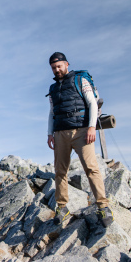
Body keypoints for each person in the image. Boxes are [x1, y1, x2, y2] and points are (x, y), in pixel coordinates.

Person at [46, 52, 114, 227]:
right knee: (60, 171)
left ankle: (103, 206)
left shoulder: (79, 80)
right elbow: (52, 112)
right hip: (60, 132)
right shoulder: (53, 89)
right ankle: (62, 207)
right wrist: (49, 133)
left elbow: (91, 102)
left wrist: (91, 127)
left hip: (81, 131)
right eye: (53, 68)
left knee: (91, 168)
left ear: (66, 64)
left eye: (59, 66)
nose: (56, 70)